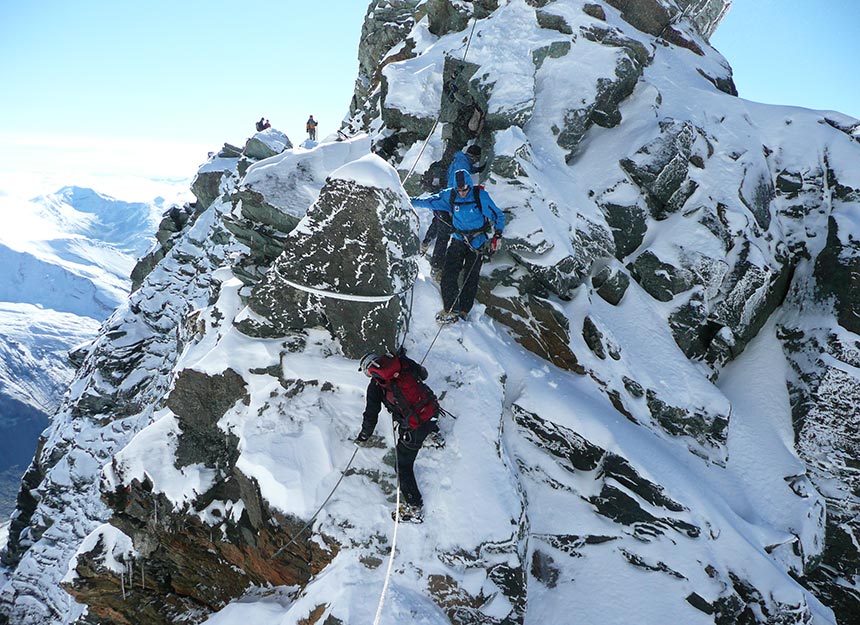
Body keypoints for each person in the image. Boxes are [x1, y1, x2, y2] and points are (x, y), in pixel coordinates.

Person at [355, 350, 441, 522]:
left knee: (402, 466)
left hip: (415, 429)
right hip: (433, 412)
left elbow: (371, 414)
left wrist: (364, 435)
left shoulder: (376, 386)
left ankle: (415, 507)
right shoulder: (402, 362)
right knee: (422, 416)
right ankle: (434, 435)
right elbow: (423, 375)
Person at [411, 169, 505, 323]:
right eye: (459, 189)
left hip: (477, 242)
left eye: (464, 189)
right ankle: (451, 308)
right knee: (449, 273)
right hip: (458, 239)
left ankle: (463, 310)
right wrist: (407, 200)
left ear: (469, 185)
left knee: (471, 276)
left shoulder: (479, 196)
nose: (462, 193)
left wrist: (497, 235)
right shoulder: (450, 195)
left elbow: (498, 215)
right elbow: (429, 201)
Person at [422, 144, 483, 278]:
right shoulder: (463, 164)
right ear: (475, 157)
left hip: (441, 199)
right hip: (448, 202)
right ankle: (436, 268)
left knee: (438, 221)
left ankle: (425, 242)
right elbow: (453, 184)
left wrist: (477, 169)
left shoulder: (461, 160)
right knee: (444, 234)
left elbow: (464, 171)